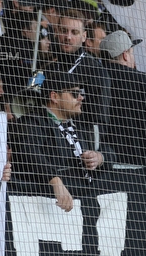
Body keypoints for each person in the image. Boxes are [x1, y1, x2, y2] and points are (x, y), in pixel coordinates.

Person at [14, 71, 113, 212]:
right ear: (54, 96)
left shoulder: (82, 125)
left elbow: (111, 152)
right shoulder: (33, 121)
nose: (81, 98)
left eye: (81, 93)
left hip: (84, 205)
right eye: (74, 93)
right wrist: (55, 180)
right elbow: (29, 152)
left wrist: (99, 157)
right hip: (48, 208)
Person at [99, 29, 146, 167]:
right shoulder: (145, 81)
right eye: (132, 52)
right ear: (125, 55)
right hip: (144, 168)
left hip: (105, 165)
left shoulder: (95, 80)